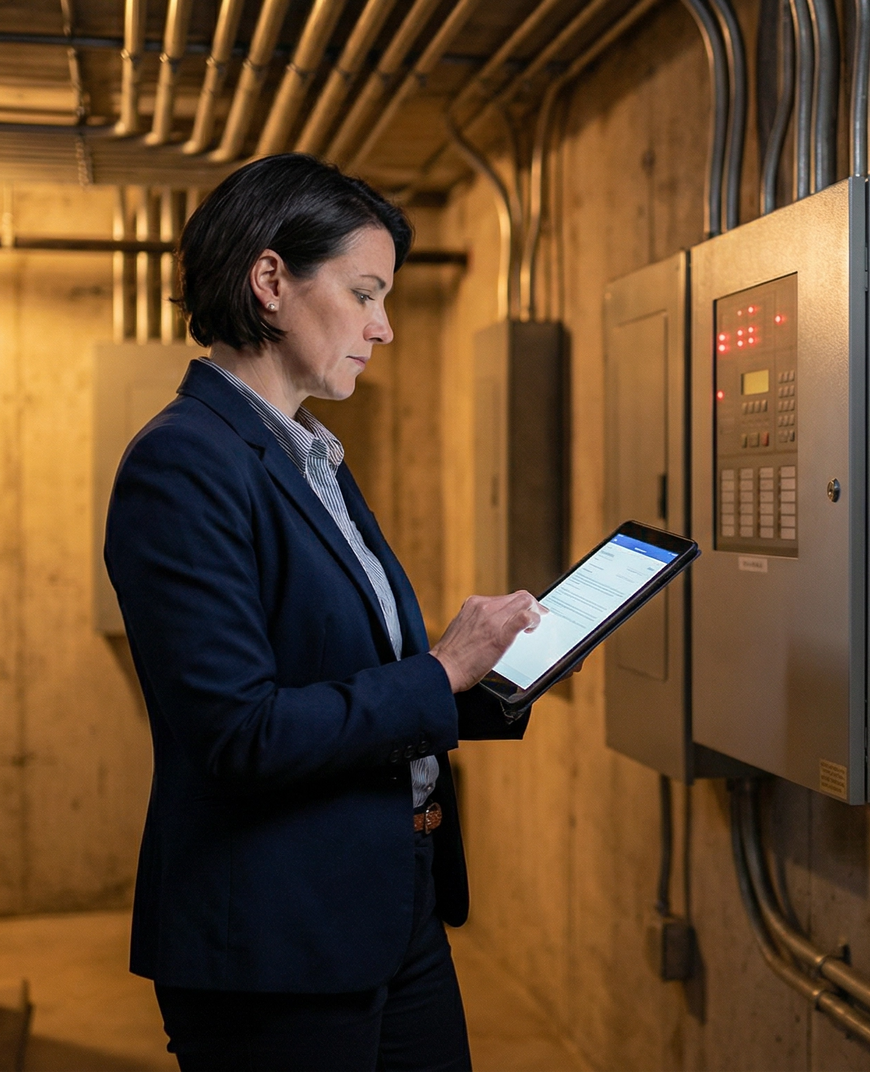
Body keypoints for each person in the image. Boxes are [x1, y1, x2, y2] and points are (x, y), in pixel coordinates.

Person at [104, 153, 542, 1071]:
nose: (384, 328)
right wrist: (440, 669)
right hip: (278, 937)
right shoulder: (183, 465)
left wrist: (490, 679)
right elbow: (239, 733)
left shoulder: (311, 457)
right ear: (271, 282)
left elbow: (344, 680)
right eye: (365, 292)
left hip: (391, 900)